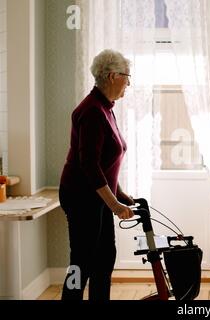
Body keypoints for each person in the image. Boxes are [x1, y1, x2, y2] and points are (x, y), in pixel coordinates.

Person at [59, 49, 135, 300]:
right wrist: (114, 204)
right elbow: (89, 165)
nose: (129, 83)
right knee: (81, 263)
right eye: (127, 76)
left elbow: (106, 160)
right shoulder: (92, 111)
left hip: (98, 197)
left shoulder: (105, 107)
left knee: (103, 260)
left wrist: (120, 194)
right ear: (113, 76)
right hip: (82, 197)